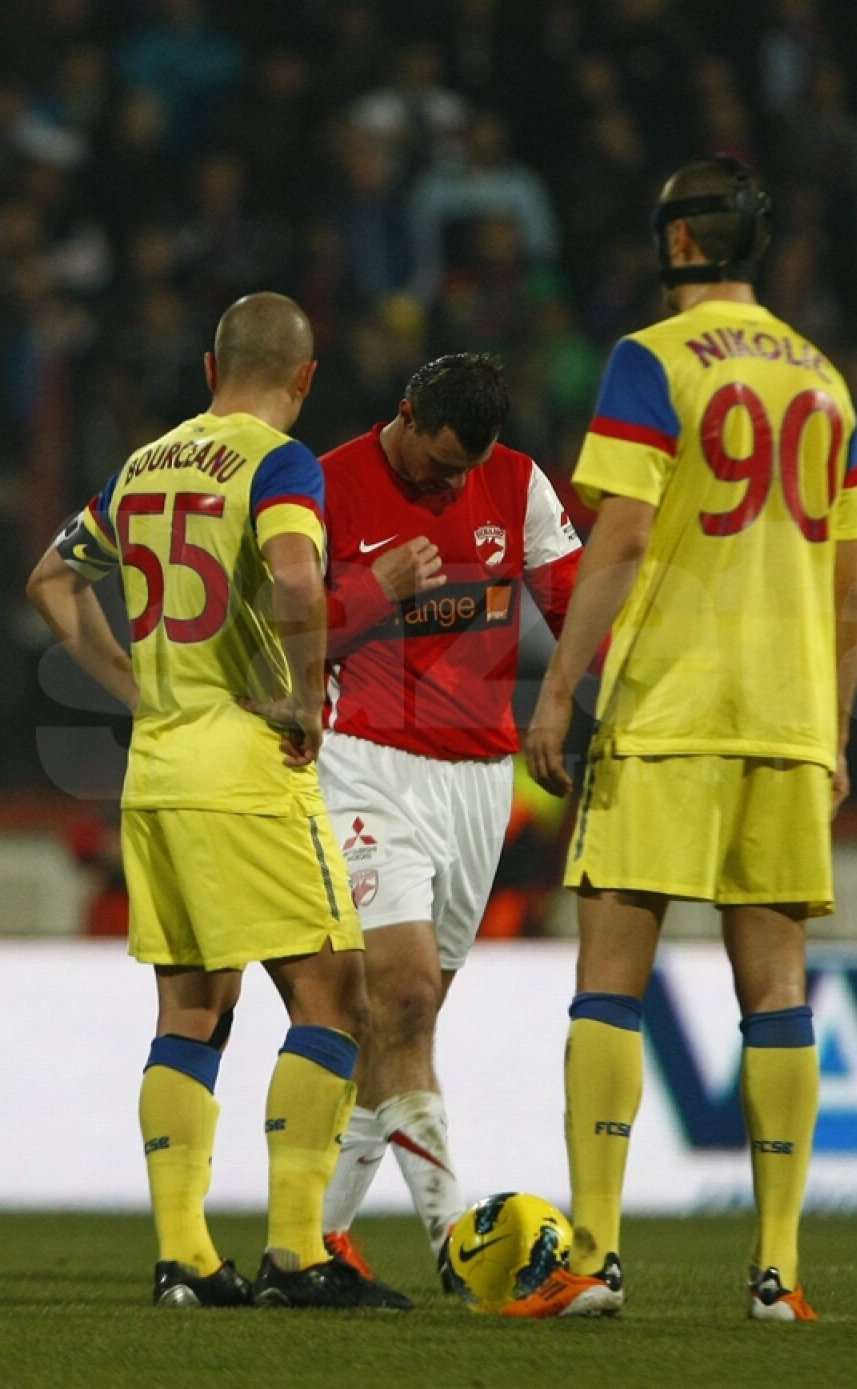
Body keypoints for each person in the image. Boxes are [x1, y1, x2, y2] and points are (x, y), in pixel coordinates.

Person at [521, 155, 857, 1320]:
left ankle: (596, 1256)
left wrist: (560, 688)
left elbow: (625, 535)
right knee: (776, 986)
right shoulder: (824, 379)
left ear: (677, 241)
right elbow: (854, 587)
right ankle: (778, 1271)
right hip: (788, 716)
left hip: (669, 705)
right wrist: (833, 735)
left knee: (611, 977)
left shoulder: (652, 358)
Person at [26, 291, 412, 1311]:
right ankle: (297, 1251)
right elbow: (296, 577)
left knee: (192, 1008)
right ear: (306, 379)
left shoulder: (142, 466)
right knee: (334, 996)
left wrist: (131, 687)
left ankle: (186, 1261)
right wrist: (305, 696)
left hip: (156, 772)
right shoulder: (279, 463)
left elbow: (50, 581)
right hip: (247, 771)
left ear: (209, 369)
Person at [248, 352, 581, 1284]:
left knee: (395, 1028)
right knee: (403, 997)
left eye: (465, 471)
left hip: (479, 781)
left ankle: (314, 1241)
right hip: (364, 763)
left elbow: (579, 606)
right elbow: (281, 623)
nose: (449, 486)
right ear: (405, 415)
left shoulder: (517, 485)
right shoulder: (324, 483)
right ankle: (457, 1242)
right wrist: (374, 587)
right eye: (437, 466)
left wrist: (588, 694)